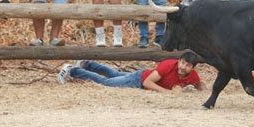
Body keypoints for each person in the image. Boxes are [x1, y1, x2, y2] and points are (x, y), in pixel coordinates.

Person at [58, 51, 205, 92]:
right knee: (107, 82)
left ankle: (87, 63)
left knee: (114, 74)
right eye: (182, 63)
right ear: (179, 61)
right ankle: (73, 70)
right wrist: (167, 92)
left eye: (187, 66)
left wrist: (203, 91)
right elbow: (148, 83)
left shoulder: (192, 75)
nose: (183, 67)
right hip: (139, 80)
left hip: (140, 75)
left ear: (192, 68)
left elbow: (200, 85)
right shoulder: (168, 65)